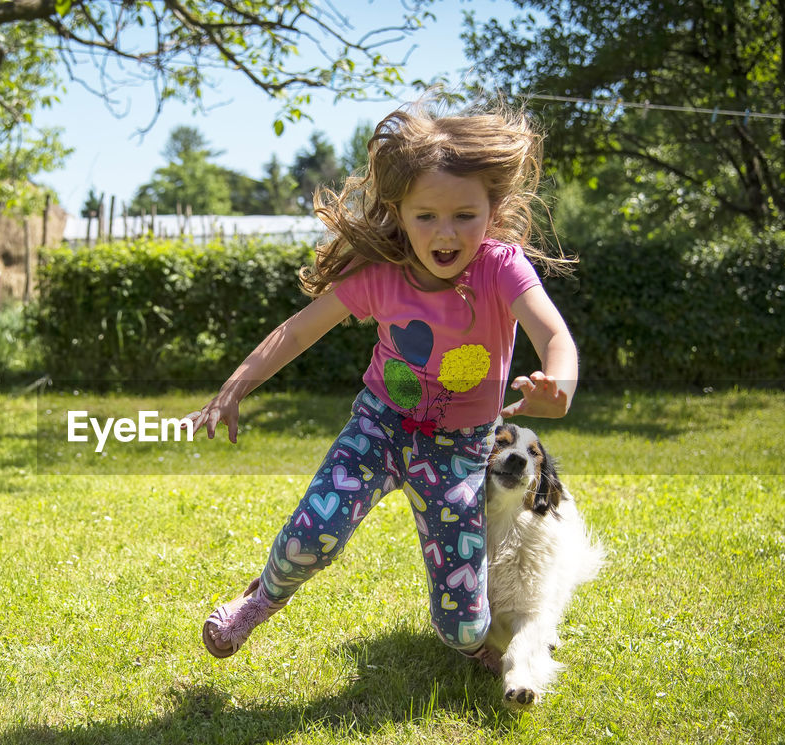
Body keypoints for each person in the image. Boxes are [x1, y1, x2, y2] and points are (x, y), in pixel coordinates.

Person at [189, 94, 579, 662]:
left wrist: (558, 387)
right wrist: (236, 386)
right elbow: (297, 332)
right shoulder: (381, 274)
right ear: (400, 214)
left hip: (458, 449)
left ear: (491, 214)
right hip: (381, 426)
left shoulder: (501, 267)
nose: (445, 233)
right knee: (313, 532)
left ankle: (475, 641)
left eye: (464, 216)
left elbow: (555, 337)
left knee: (463, 631)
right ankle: (256, 603)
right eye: (426, 216)